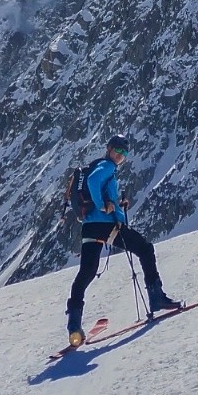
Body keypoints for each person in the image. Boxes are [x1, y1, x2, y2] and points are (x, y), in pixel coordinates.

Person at [65, 134, 181, 344]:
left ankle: (74, 325)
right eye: (118, 150)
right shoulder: (106, 166)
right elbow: (92, 181)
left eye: (124, 153)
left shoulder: (99, 166)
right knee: (145, 249)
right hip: (106, 225)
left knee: (87, 272)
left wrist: (116, 203)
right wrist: (103, 206)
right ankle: (156, 298)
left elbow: (97, 187)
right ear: (109, 149)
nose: (120, 155)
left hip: (89, 226)